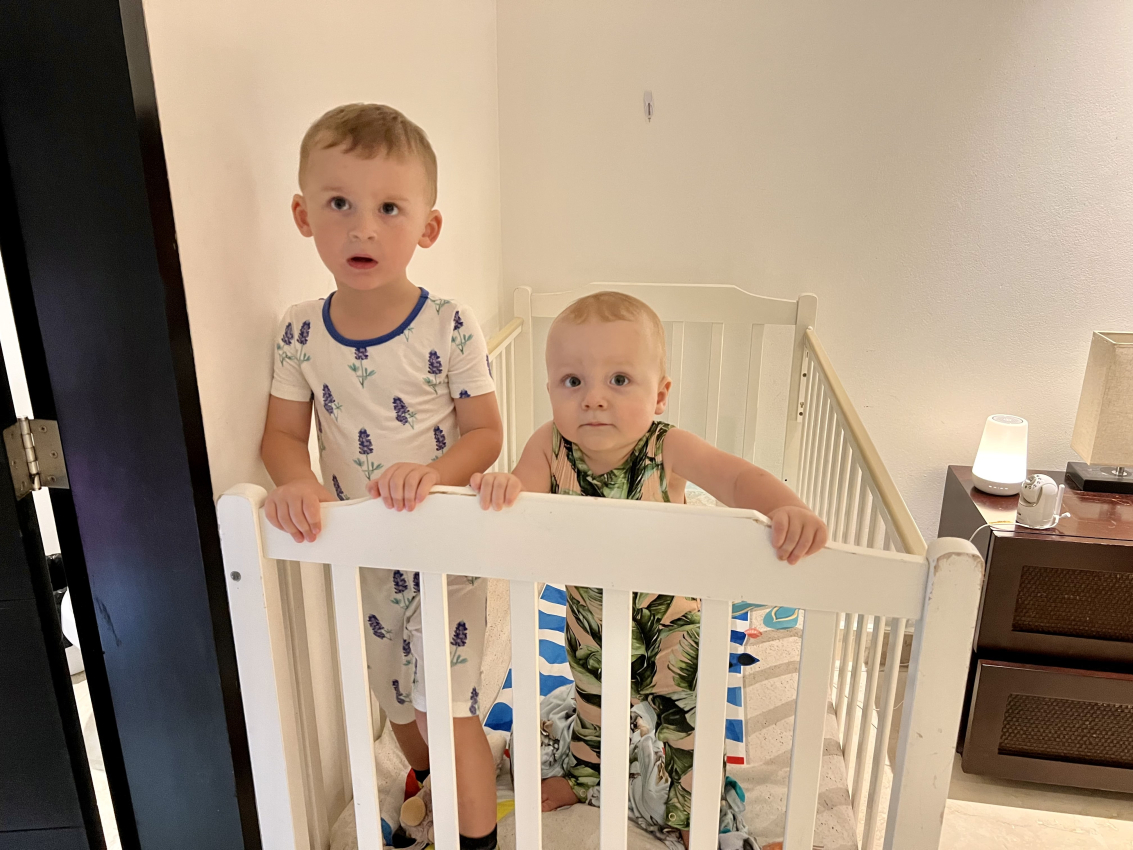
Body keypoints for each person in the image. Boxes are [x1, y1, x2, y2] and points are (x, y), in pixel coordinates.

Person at [470, 291, 826, 850]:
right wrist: (503, 488)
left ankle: (692, 811)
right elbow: (522, 499)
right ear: (549, 390)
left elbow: (735, 478)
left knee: (687, 722)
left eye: (618, 380)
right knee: (592, 705)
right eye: (572, 382)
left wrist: (787, 507)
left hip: (676, 625)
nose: (593, 399)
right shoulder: (548, 445)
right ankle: (584, 776)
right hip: (590, 618)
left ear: (659, 395)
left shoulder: (667, 448)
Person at [262, 103, 501, 850]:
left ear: (426, 227)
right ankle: (431, 787)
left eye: (389, 208)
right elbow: (278, 435)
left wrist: (434, 473)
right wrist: (297, 480)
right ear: (303, 215)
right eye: (339, 204)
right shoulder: (300, 330)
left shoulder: (448, 323)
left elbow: (487, 433)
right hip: (366, 556)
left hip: (446, 550)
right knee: (396, 701)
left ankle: (478, 836)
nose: (362, 227)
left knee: (448, 704)